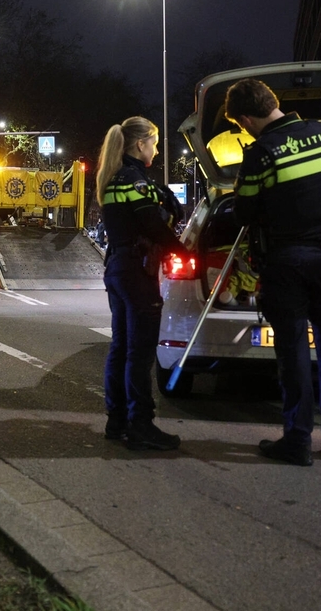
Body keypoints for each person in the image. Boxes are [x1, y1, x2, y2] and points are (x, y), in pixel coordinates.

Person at [224, 78, 321, 465]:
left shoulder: (261, 153)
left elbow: (243, 212)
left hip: (288, 261)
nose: (242, 129)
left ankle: (298, 441)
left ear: (247, 118)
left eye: (239, 124)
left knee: (294, 349)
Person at [97, 116, 186, 451]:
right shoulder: (134, 180)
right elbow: (153, 225)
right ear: (140, 144)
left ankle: (116, 419)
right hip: (137, 271)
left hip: (118, 267)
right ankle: (141, 424)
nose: (157, 148)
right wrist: (183, 250)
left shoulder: (114, 178)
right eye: (155, 142)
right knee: (140, 351)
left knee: (121, 348)